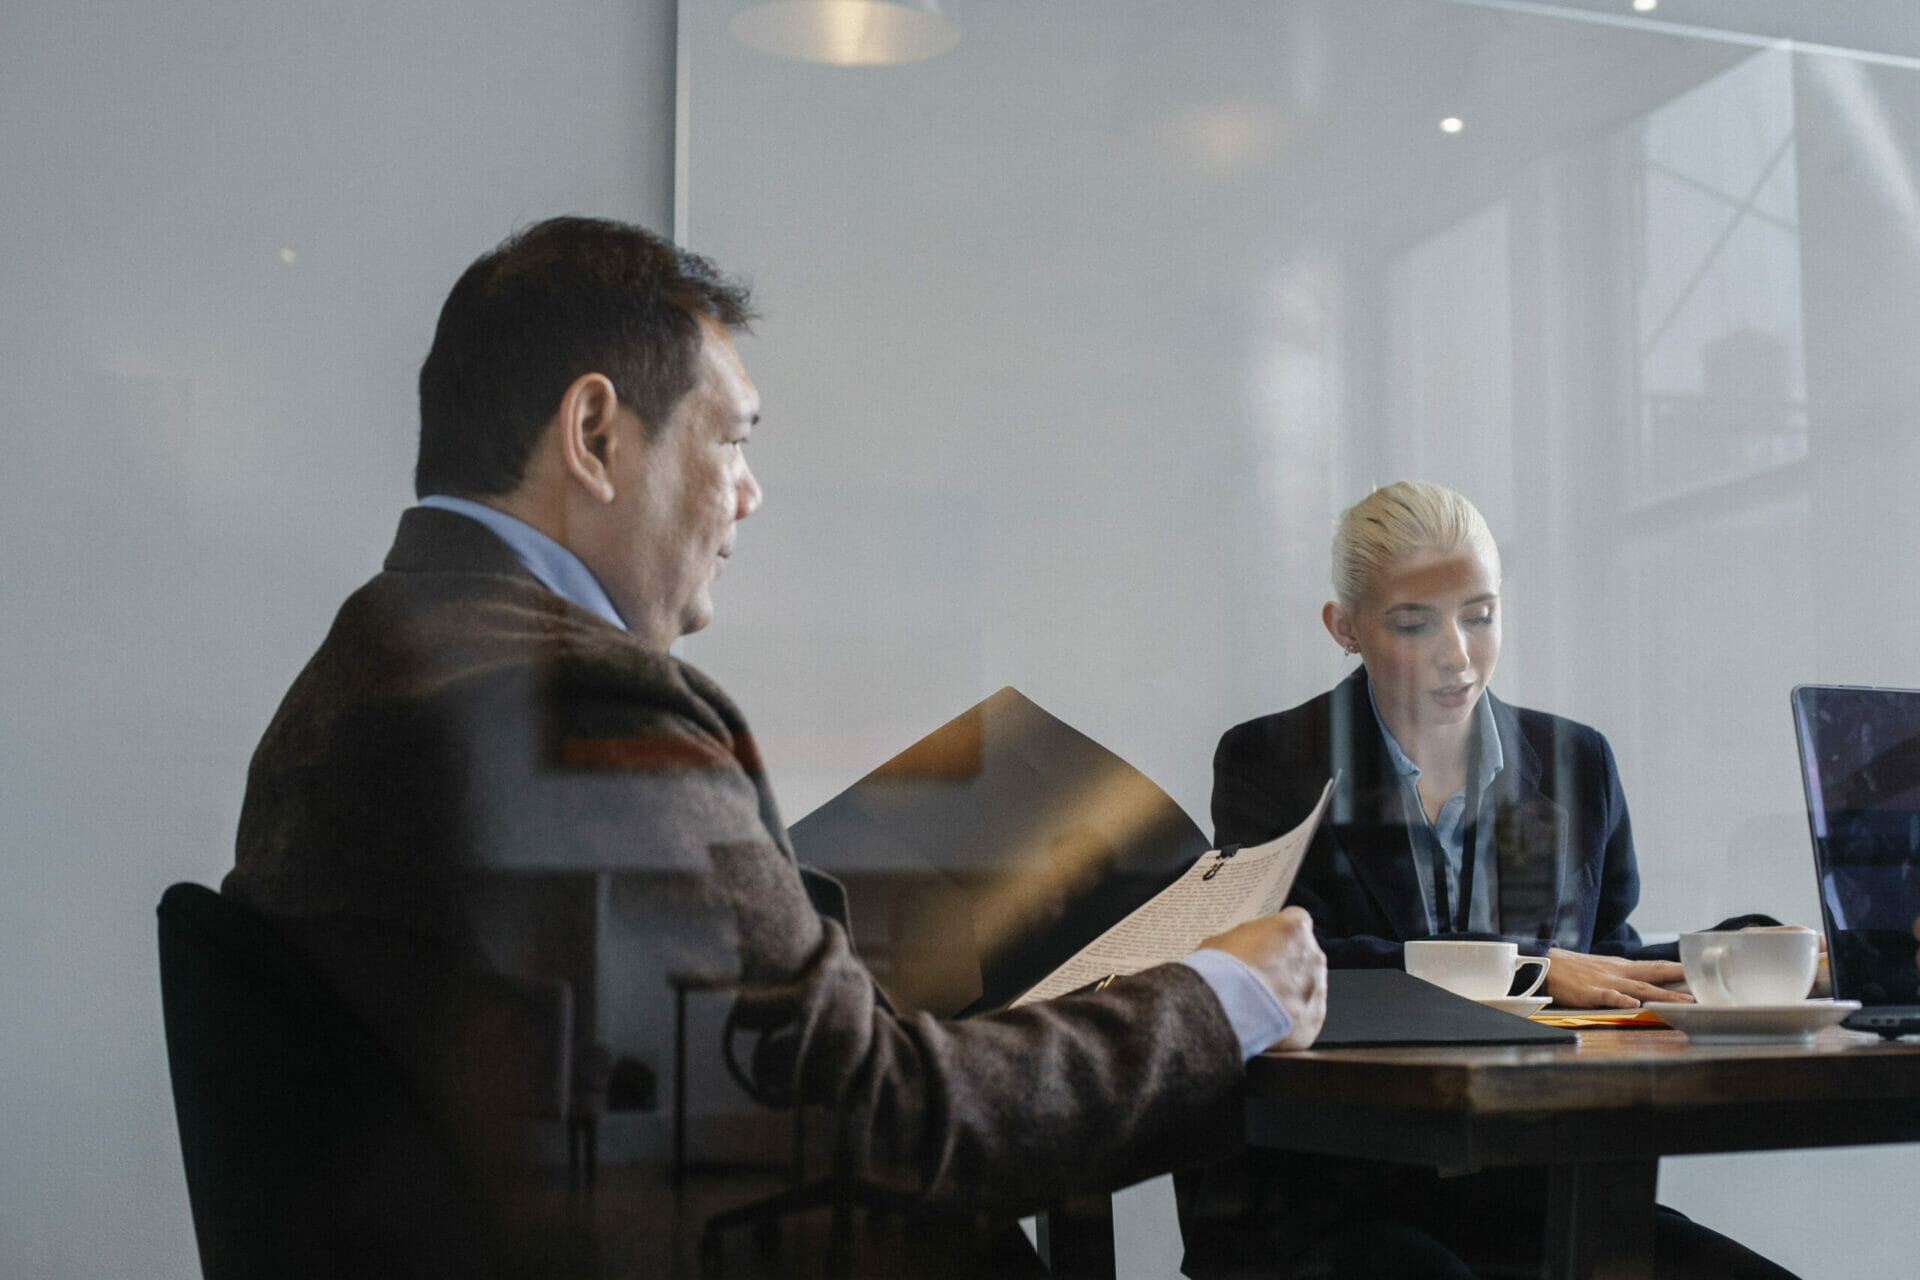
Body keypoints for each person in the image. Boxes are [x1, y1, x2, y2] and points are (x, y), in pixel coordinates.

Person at [222, 216, 1327, 1277]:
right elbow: (873, 1125)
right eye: (734, 439)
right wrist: (1220, 992)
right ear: (596, 434)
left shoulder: (378, 660)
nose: (751, 494)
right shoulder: (582, 702)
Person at [1176, 480, 1795, 1279]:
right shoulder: (1274, 761)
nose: (1457, 654)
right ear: (1347, 627)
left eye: (1480, 614)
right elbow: (1300, 965)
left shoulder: (1575, 763)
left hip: (1528, 1179)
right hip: (1331, 1193)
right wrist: (1531, 968)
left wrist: (1733, 956)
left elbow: (1605, 964)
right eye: (1414, 623)